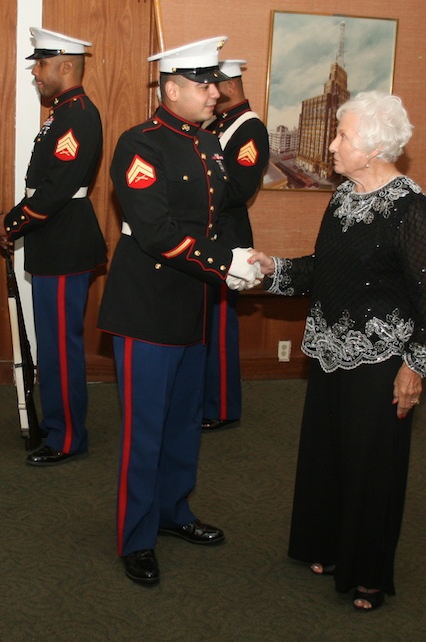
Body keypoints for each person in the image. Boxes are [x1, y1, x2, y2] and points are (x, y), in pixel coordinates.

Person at [249, 91, 426, 611]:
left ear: (374, 148)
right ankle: (330, 546)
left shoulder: (410, 207)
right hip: (332, 349)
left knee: (371, 467)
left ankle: (369, 573)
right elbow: (323, 270)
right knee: (330, 454)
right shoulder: (343, 197)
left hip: (382, 358)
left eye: (343, 137)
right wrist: (275, 270)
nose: (332, 145)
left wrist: (414, 368)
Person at [97, 37, 262, 585]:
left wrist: (232, 262)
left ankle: (174, 512)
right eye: (204, 84)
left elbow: (212, 218)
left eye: (214, 82)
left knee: (184, 422)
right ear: (171, 89)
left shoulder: (208, 144)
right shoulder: (139, 145)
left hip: (193, 301)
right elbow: (157, 233)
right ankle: (136, 535)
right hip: (147, 304)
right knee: (145, 430)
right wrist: (226, 265)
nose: (215, 92)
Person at [0, 27, 107, 466]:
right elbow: (46, 186)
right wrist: (15, 219)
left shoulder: (76, 115)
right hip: (54, 239)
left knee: (60, 346)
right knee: (53, 344)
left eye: (40, 65)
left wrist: (12, 223)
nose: (36, 74)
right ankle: (59, 424)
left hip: (63, 242)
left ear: (65, 66)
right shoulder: (62, 114)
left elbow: (56, 190)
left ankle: (68, 436)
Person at [200, 59, 270, 432]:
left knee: (221, 327)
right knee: (205, 323)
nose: (209, 93)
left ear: (227, 85)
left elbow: (241, 188)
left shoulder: (249, 128)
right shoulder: (216, 125)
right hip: (209, 236)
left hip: (228, 239)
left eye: (212, 85)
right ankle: (204, 399)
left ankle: (222, 406)